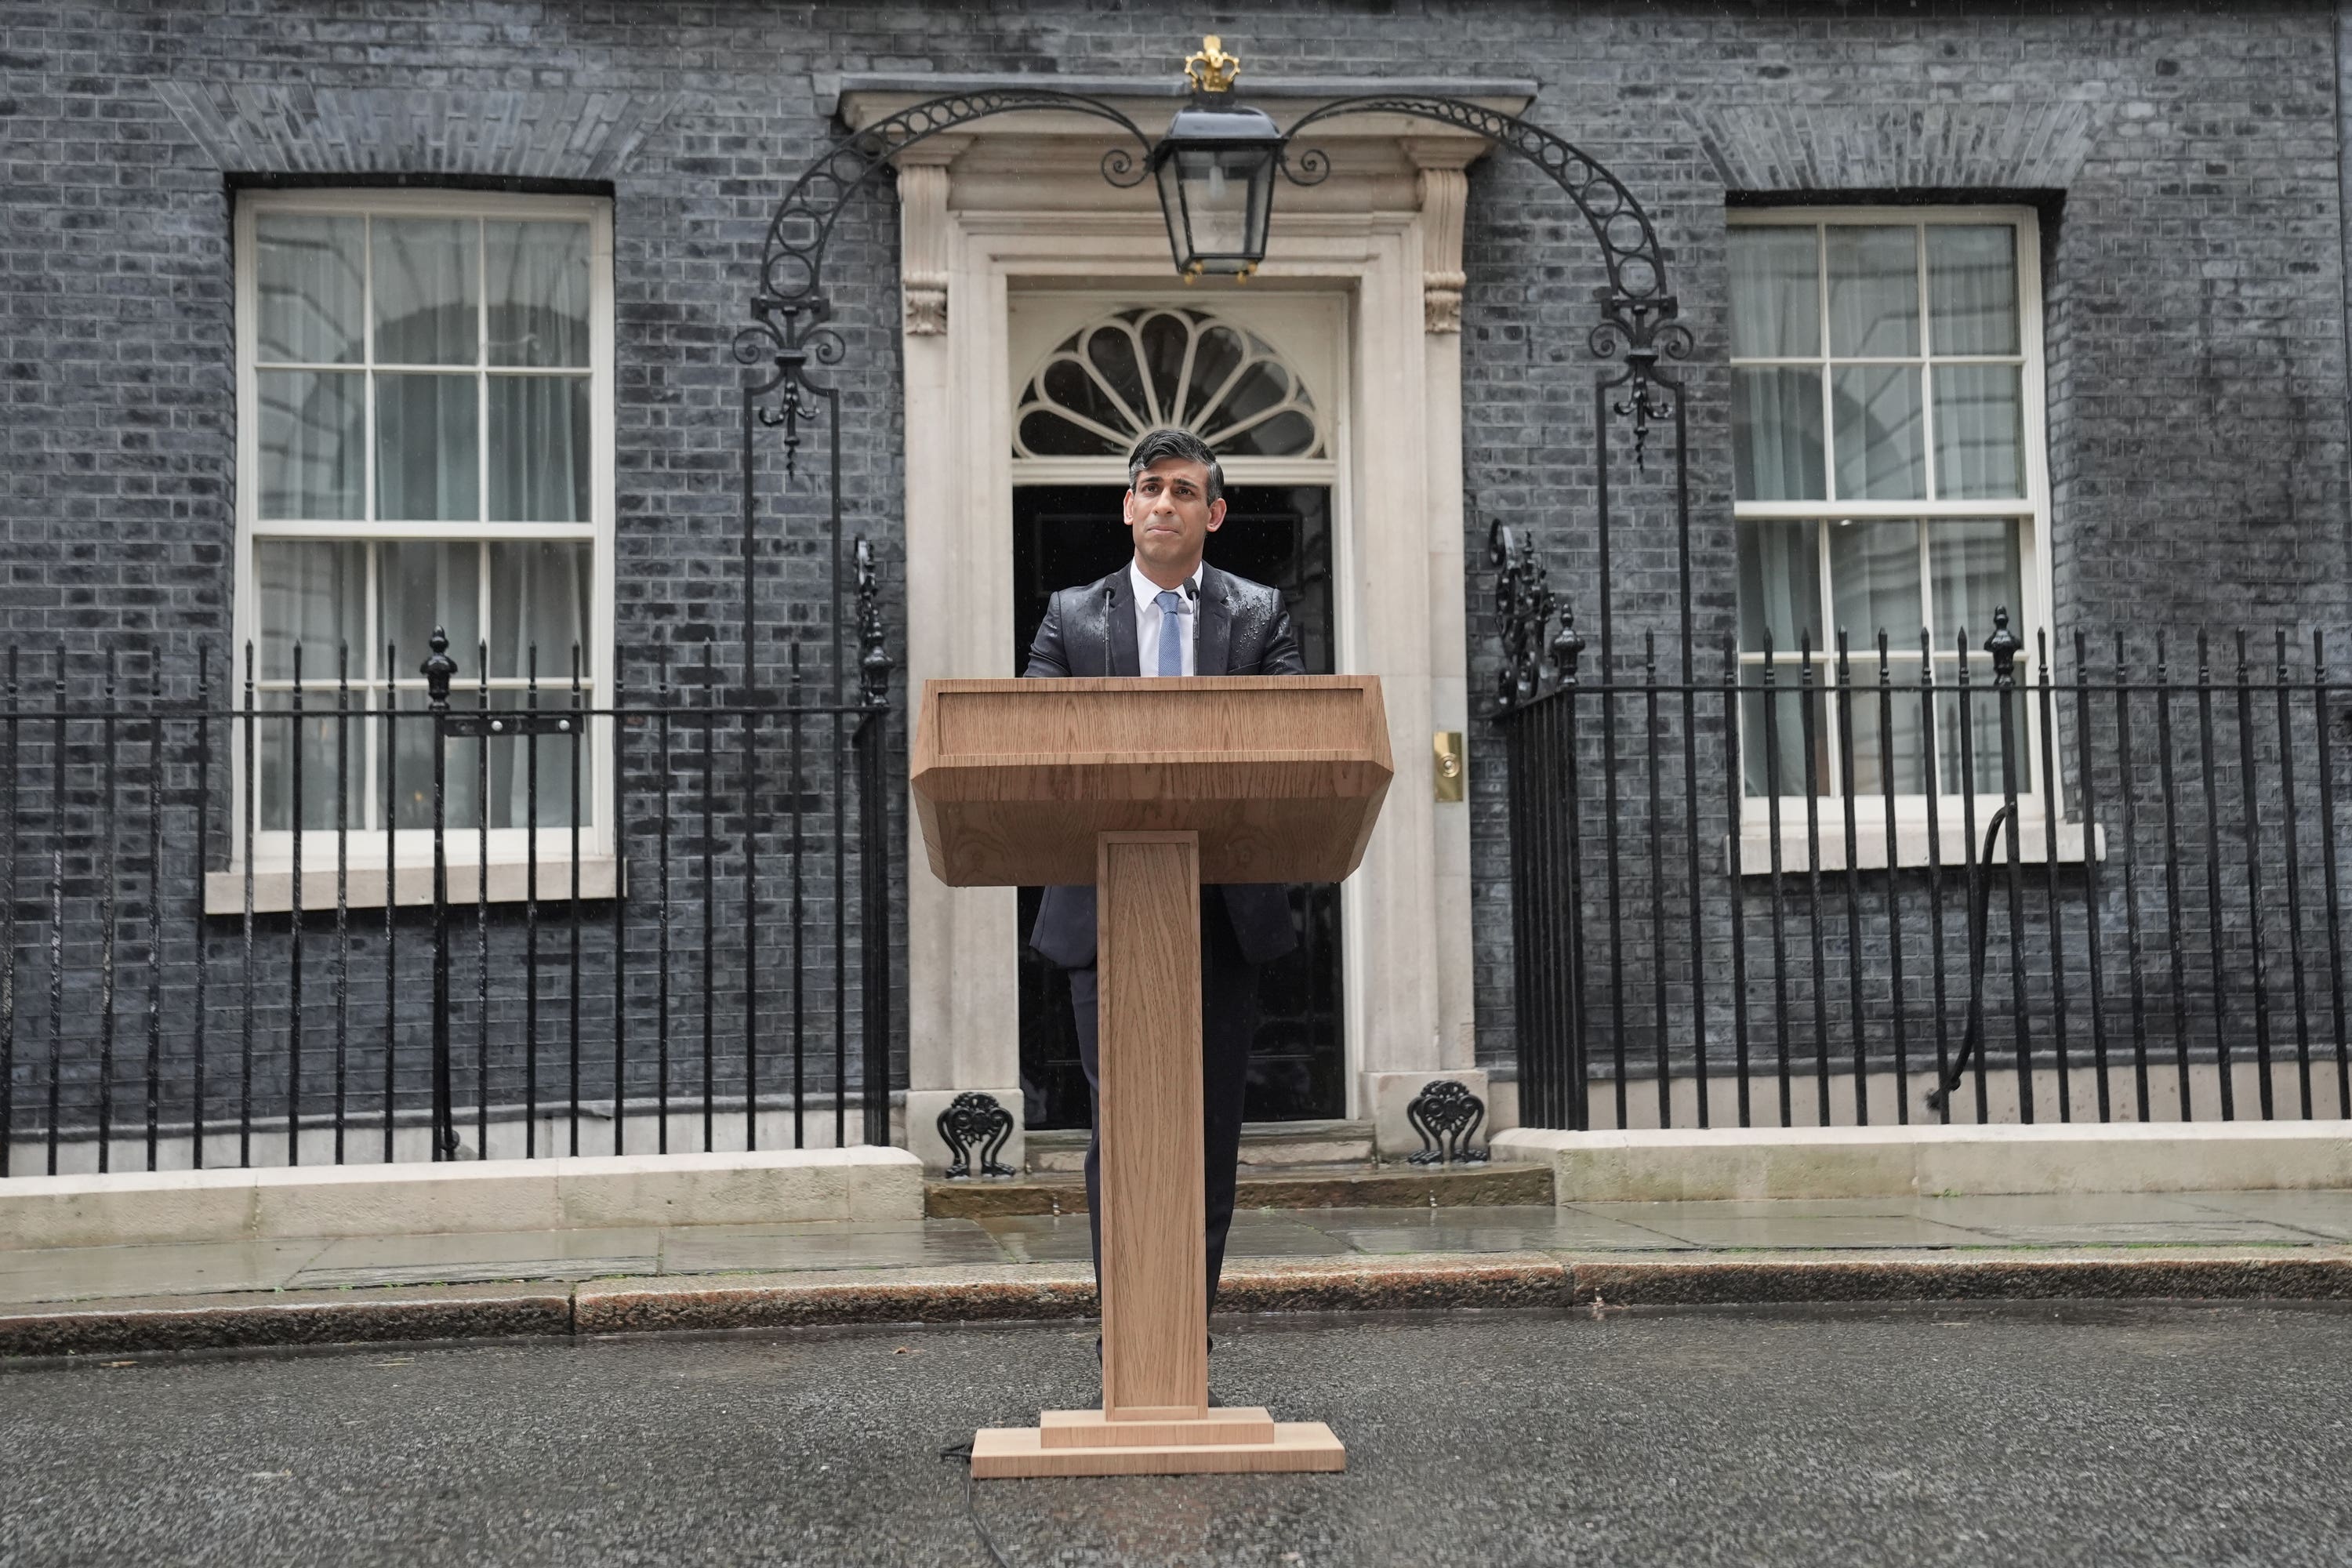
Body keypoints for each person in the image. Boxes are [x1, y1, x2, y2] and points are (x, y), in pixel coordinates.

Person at [1022, 425, 1305, 1313]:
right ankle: (1129, 1334)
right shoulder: (1070, 617)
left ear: (1213, 513)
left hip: (1223, 910)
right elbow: (1029, 751)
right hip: (1106, 909)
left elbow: (1295, 748)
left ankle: (1188, 1328)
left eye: (1184, 490)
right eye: (1149, 487)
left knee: (1210, 1128)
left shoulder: (1260, 616)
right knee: (1127, 1128)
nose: (1163, 503)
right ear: (1126, 506)